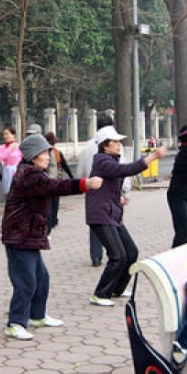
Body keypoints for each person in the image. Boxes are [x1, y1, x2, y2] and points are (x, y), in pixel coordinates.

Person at [1, 134, 103, 340]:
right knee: (26, 281)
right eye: (44, 153)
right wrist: (85, 183)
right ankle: (15, 323)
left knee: (41, 278)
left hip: (29, 236)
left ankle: (37, 316)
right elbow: (56, 186)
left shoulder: (34, 172)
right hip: (19, 237)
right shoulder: (29, 175)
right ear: (33, 155)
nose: (48, 156)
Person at [86, 126, 167, 307]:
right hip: (100, 214)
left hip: (112, 213)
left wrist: (118, 198)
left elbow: (109, 185)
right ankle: (100, 294)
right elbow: (127, 170)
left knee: (131, 253)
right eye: (115, 142)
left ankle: (117, 289)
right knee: (117, 256)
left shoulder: (109, 160)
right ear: (105, 145)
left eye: (119, 142)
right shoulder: (102, 161)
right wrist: (153, 156)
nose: (119, 145)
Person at [76, 115, 123, 267]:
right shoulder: (114, 146)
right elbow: (123, 169)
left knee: (96, 226)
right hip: (109, 194)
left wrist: (84, 183)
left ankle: (96, 256)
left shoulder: (89, 145)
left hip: (92, 190)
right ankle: (115, 255)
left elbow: (81, 169)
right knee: (111, 225)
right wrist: (124, 191)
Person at [44, 132, 75, 234]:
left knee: (50, 202)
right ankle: (54, 219)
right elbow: (65, 166)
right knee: (55, 201)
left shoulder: (45, 153)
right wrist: (72, 177)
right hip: (57, 180)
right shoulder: (57, 152)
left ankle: (51, 220)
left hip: (49, 180)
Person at [0, 126, 23, 195]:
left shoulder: (19, 147)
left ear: (13, 135)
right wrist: (9, 149)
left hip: (18, 173)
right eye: (4, 134)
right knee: (8, 194)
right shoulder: (2, 147)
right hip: (7, 173)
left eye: (7, 134)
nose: (5, 136)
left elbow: (23, 159)